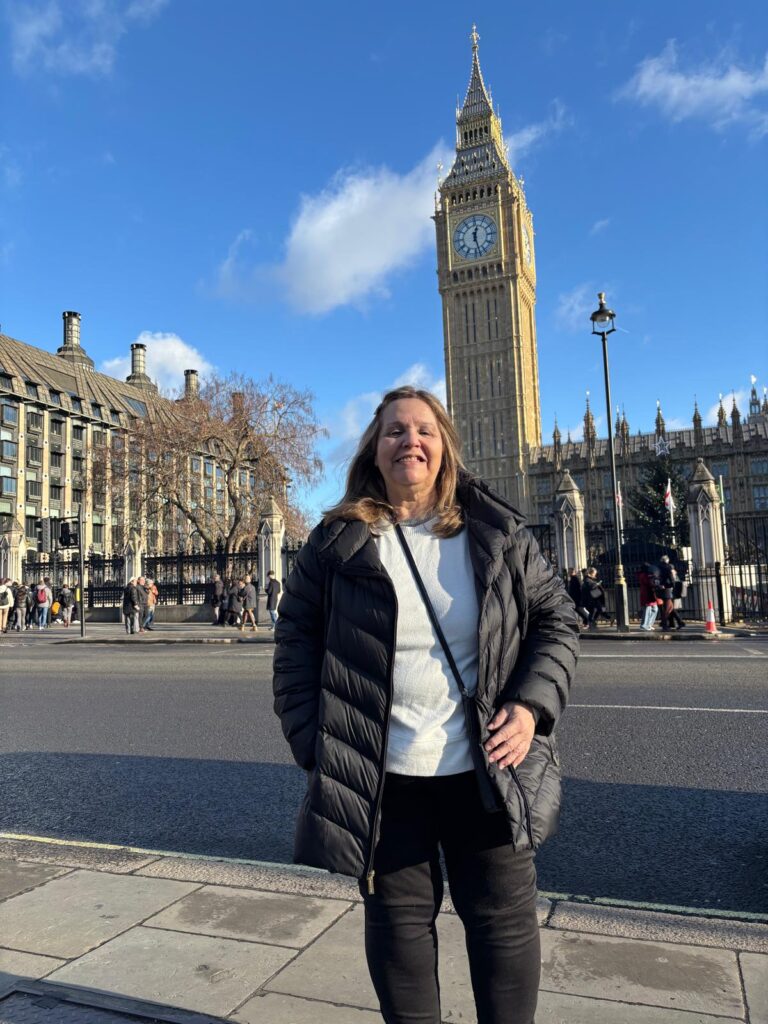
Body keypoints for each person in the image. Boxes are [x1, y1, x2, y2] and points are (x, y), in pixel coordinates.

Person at [273, 385, 579, 1024]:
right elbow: (293, 641)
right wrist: (318, 745)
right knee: (399, 929)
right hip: (385, 779)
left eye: (424, 430)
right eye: (394, 431)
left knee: (502, 927)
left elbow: (557, 621)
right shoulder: (336, 542)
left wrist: (527, 708)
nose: (409, 440)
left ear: (445, 450)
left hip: (487, 771)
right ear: (373, 452)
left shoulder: (494, 531)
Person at [658, 555, 685, 631]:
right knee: (669, 608)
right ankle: (671, 624)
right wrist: (673, 586)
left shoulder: (659, 567)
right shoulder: (668, 567)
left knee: (669, 607)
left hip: (664, 588)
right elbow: (671, 578)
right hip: (669, 588)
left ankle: (678, 622)